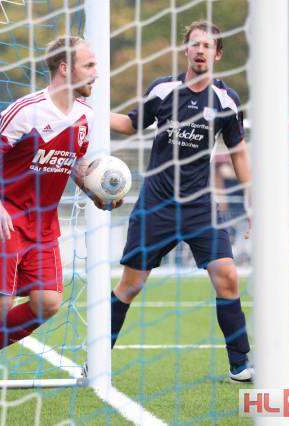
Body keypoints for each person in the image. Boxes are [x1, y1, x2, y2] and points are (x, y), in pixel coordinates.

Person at [0, 35, 120, 410]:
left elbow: (72, 163)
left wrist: (95, 191)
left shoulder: (85, 116)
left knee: (47, 303)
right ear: (65, 68)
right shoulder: (27, 111)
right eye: (89, 65)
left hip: (43, 225)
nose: (96, 72)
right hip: (6, 218)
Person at [109, 21, 254, 383]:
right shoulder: (163, 90)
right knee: (130, 286)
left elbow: (238, 152)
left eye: (208, 45)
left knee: (228, 277)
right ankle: (95, 359)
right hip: (156, 205)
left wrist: (251, 200)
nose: (201, 50)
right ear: (185, 49)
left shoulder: (226, 100)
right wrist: (89, 111)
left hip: (199, 206)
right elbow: (130, 124)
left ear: (218, 54)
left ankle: (240, 365)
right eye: (195, 44)